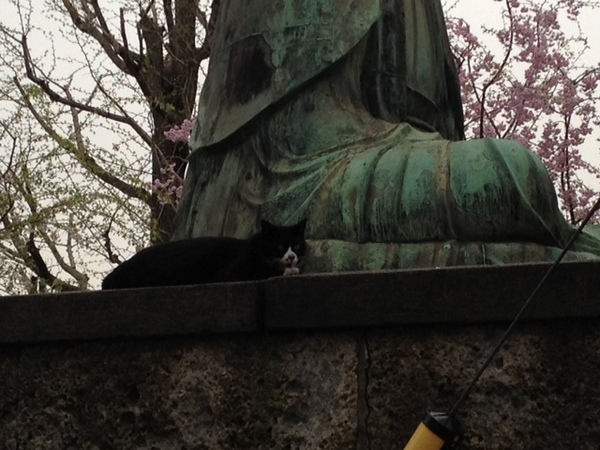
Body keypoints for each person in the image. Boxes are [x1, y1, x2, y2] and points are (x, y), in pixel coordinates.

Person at [173, 0, 600, 270]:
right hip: (302, 173)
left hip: (378, 156)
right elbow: (290, 135)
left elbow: (435, 130)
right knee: (507, 176)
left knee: (506, 181)